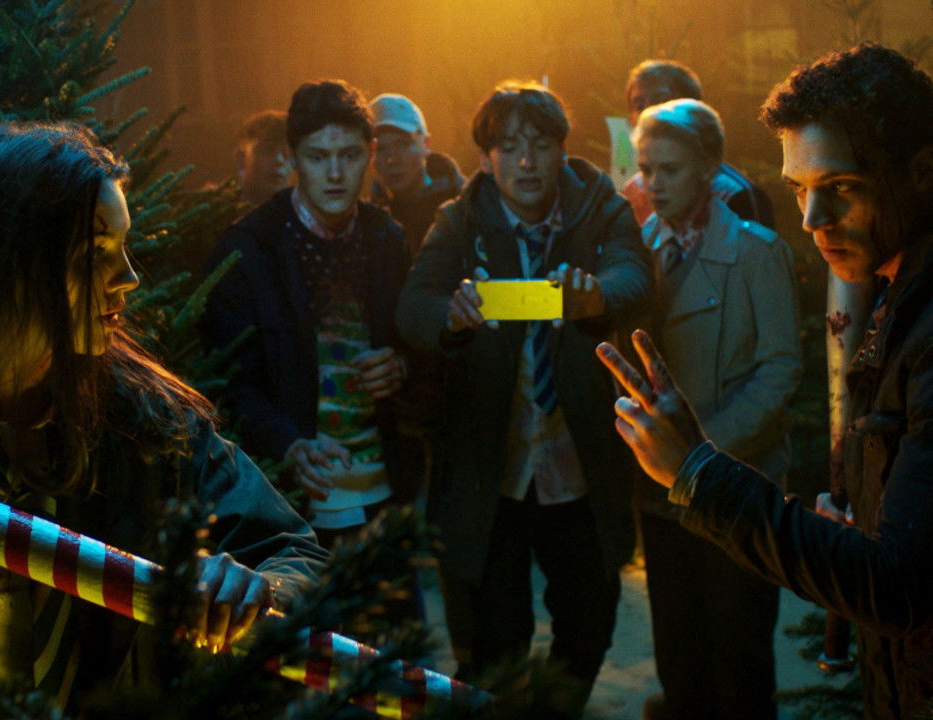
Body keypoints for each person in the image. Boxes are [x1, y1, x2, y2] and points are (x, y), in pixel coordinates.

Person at [598, 43, 933, 719]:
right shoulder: (907, 282)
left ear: (924, 172)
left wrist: (699, 471)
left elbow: (898, 583)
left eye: (840, 187)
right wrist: (860, 523)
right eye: (799, 189)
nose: (811, 219)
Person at [0, 122, 327, 709]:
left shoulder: (144, 423)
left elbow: (296, 553)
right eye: (96, 252)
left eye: (124, 247)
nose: (128, 278)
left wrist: (259, 588)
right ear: (3, 262)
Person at [396, 81, 649, 716]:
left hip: (578, 461)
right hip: (492, 470)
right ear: (487, 160)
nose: (527, 162)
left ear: (563, 150)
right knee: (491, 642)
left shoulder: (600, 206)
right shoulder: (460, 219)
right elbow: (415, 303)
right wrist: (451, 315)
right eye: (509, 148)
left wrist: (595, 297)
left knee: (589, 624)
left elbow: (634, 276)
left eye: (540, 145)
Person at [632, 98, 800, 719]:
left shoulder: (756, 253)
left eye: (670, 170)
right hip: (663, 494)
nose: (654, 184)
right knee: (678, 657)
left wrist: (700, 453)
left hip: (736, 486)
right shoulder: (641, 250)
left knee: (739, 659)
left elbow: (780, 369)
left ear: (709, 167)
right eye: (645, 169)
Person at [200, 80, 420, 556]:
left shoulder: (386, 238)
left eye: (350, 156)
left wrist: (401, 365)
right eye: (318, 157)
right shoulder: (249, 249)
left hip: (382, 493)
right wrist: (288, 445)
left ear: (370, 154)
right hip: (292, 503)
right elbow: (227, 380)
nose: (336, 174)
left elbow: (418, 344)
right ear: (293, 158)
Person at [621, 59, 774, 230]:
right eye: (638, 106)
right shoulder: (633, 193)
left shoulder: (736, 195)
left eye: (661, 101)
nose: (648, 113)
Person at [369, 93, 466, 255]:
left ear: (426, 144)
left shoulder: (466, 212)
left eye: (402, 145)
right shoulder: (364, 224)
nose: (392, 159)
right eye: (380, 149)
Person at [232, 109, 292, 208]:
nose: (279, 160)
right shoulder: (211, 211)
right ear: (241, 158)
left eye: (287, 153)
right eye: (268, 150)